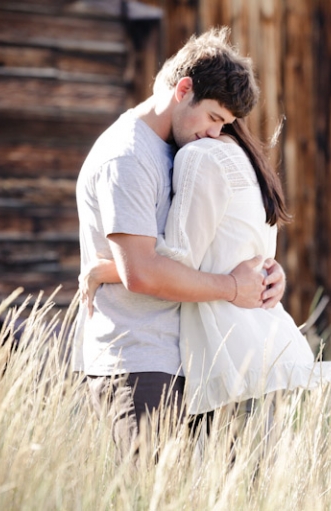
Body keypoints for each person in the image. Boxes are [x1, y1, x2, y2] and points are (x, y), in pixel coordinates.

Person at [72, 28, 286, 455]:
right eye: (213, 117)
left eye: (224, 125)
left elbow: (195, 248)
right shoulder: (127, 157)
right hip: (139, 359)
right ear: (183, 89)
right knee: (149, 488)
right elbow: (143, 272)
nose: (215, 132)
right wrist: (233, 287)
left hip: (192, 358)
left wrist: (265, 273)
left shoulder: (182, 149)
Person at [80, 117, 331, 416]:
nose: (212, 130)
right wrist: (269, 274)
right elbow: (243, 251)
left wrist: (105, 270)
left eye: (219, 118)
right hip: (260, 346)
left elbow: (178, 259)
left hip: (225, 353)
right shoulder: (250, 161)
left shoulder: (201, 155)